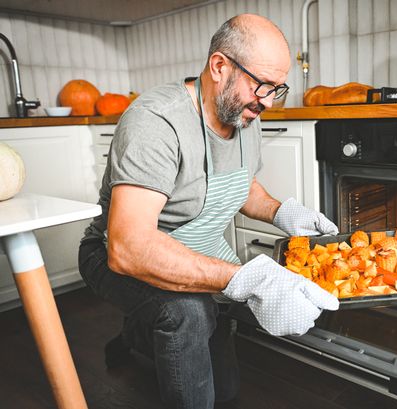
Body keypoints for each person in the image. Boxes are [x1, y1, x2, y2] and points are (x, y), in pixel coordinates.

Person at [78, 14, 339, 409]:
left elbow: (241, 184)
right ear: (220, 66)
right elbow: (128, 247)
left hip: (197, 243)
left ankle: (138, 332)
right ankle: (150, 324)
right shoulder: (157, 122)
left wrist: (281, 212)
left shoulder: (243, 114)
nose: (268, 101)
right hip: (114, 253)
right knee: (189, 313)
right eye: (263, 85)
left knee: (226, 389)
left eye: (277, 88)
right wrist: (244, 278)